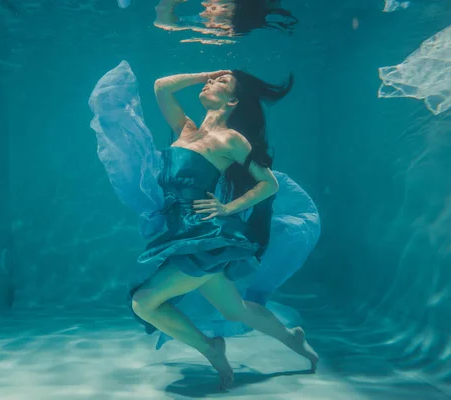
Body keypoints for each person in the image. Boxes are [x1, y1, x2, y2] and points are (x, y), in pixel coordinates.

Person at [89, 61, 319, 391]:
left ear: (233, 102)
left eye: (220, 82)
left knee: (144, 302)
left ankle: (212, 349)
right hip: (180, 235)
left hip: (203, 238)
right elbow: (161, 85)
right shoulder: (185, 129)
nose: (209, 84)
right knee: (236, 309)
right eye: (210, 81)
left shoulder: (231, 140)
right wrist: (205, 75)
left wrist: (227, 207)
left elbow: (268, 184)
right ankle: (293, 339)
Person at [154, 0, 298, 38]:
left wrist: (168, 4)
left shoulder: (210, 26)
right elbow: (165, 24)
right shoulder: (214, 25)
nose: (205, 5)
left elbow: (165, 23)